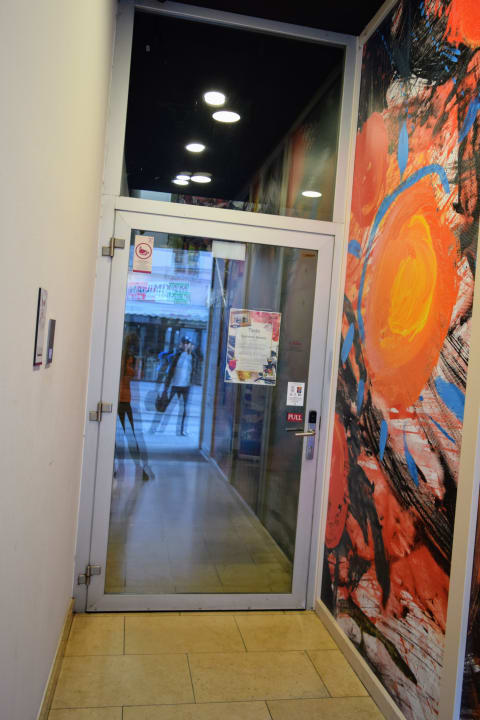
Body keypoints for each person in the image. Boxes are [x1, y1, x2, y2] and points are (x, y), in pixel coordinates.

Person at [165, 336, 196, 436]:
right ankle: (156, 427)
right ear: (181, 344)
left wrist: (190, 352)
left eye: (188, 343)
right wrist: (166, 387)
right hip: (175, 385)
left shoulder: (192, 356)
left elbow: (193, 370)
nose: (186, 345)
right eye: (184, 343)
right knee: (167, 406)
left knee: (184, 410)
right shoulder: (177, 355)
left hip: (186, 386)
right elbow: (172, 370)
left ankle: (181, 430)